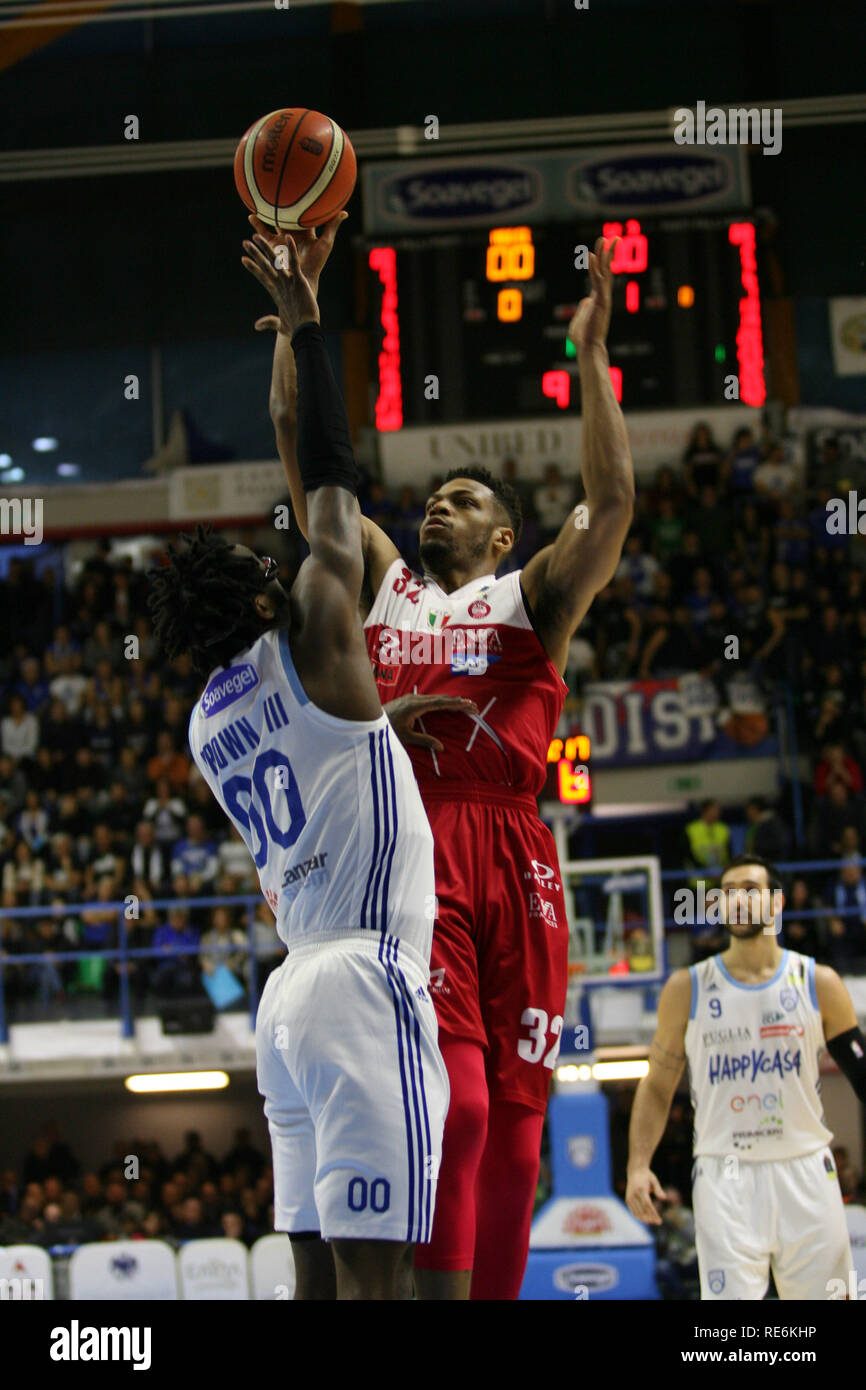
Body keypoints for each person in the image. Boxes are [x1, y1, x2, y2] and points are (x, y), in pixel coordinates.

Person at [261, 219, 634, 1299]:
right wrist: (301, 322)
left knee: (518, 1135)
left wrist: (590, 359)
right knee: (456, 1106)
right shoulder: (382, 578)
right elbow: (303, 447)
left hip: (516, 854)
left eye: (463, 500)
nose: (435, 503)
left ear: (503, 537)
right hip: (412, 857)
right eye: (432, 495)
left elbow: (607, 504)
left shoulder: (533, 597)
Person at [147, 229, 452, 1301]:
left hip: (289, 1002)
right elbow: (325, 472)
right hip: (365, 976)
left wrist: (381, 730)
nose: (277, 558)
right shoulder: (320, 625)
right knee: (379, 1283)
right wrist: (309, 322)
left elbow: (322, 754)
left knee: (317, 1275)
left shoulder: (204, 718)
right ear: (260, 595)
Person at [626, 853, 866, 1299]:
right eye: (728, 893)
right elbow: (658, 1086)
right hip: (725, 1173)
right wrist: (639, 1165)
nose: (737, 901)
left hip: (807, 1170)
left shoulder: (818, 982)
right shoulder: (686, 988)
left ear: (776, 904)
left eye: (749, 891)